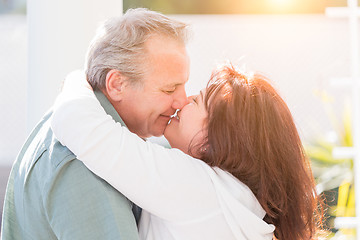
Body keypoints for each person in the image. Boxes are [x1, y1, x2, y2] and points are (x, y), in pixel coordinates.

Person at [50, 63, 323, 240]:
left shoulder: (199, 189)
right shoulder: (242, 209)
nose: (184, 99)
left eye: (199, 101)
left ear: (218, 138)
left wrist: (77, 77)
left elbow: (76, 122)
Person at [1, 8, 190, 239]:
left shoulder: (92, 139)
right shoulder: (83, 164)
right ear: (117, 84)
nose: (183, 101)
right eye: (169, 89)